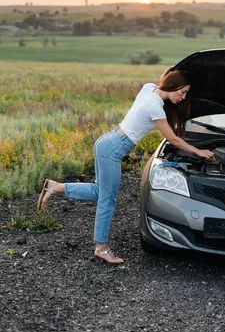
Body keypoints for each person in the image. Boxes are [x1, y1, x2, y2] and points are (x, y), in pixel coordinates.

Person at [37, 67, 214, 264]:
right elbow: (172, 138)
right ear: (174, 86)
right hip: (113, 149)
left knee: (99, 191)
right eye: (183, 92)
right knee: (107, 200)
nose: (183, 97)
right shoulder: (155, 106)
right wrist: (199, 152)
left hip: (107, 141)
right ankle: (101, 248)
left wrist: (173, 71)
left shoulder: (149, 88)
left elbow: (164, 78)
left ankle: (55, 187)